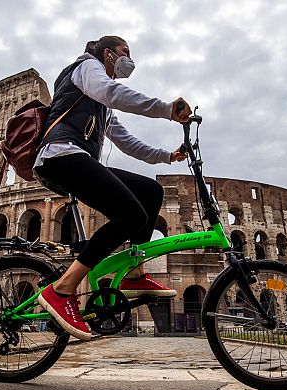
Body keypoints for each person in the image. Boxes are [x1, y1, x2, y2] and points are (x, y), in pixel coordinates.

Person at [34, 35, 191, 340]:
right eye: (125, 52)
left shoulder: (103, 108)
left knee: (150, 192)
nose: (128, 59)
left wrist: (166, 156)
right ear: (107, 54)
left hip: (76, 158)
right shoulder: (85, 68)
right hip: (59, 155)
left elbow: (128, 143)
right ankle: (62, 289)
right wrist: (165, 109)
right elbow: (110, 90)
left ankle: (134, 273)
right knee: (131, 215)